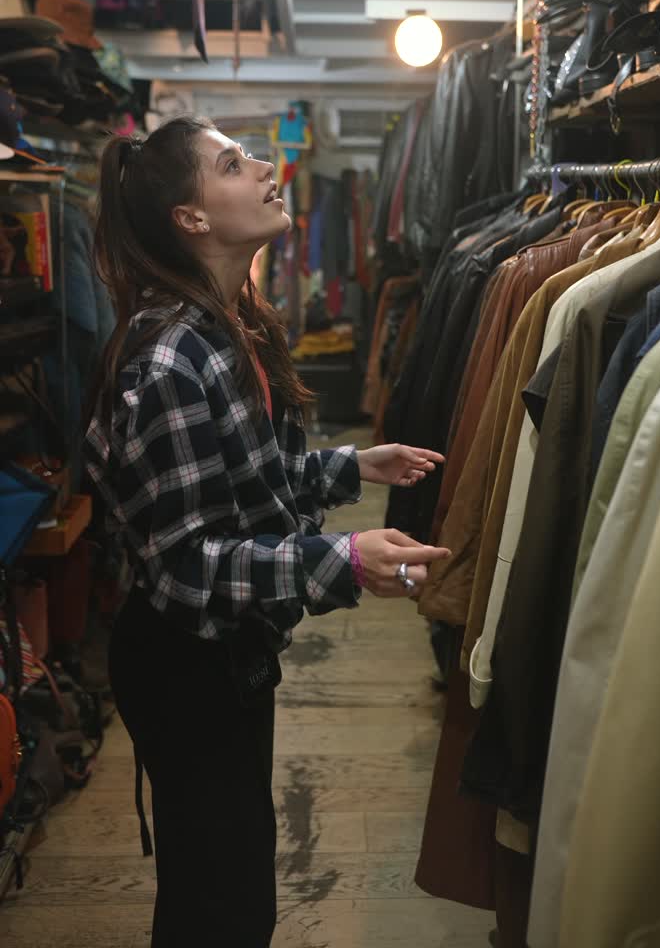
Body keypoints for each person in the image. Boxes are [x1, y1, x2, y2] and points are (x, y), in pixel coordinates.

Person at [84, 115, 450, 948]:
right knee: (220, 903)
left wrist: (353, 467)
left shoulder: (224, 328)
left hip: (223, 650)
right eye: (233, 163)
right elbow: (184, 564)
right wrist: (343, 560)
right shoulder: (172, 357)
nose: (264, 170)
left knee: (229, 880)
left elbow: (242, 487)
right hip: (184, 660)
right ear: (193, 219)